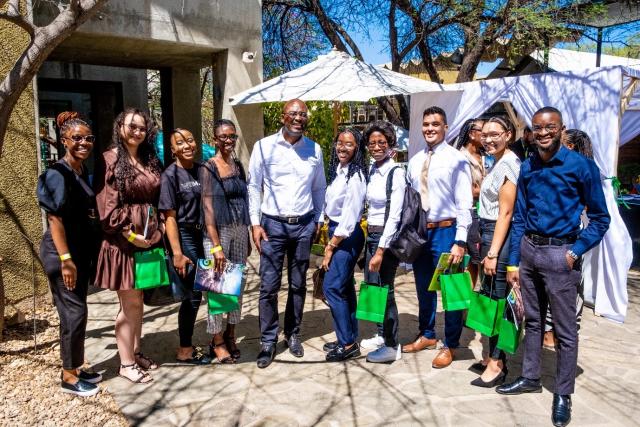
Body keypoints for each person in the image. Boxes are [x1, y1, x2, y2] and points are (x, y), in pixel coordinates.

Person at [497, 107, 610, 427]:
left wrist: (575, 252)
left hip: (562, 255)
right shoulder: (529, 166)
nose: (544, 133)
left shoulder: (581, 166)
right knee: (532, 322)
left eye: (551, 127)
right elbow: (519, 217)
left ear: (561, 130)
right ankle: (530, 376)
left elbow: (601, 219)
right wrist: (515, 262)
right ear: (531, 132)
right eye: (537, 128)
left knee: (563, 330)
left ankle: (563, 393)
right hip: (530, 252)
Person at [248, 99, 326, 368]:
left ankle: (293, 333)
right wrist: (255, 224)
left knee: (297, 285)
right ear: (283, 116)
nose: (298, 118)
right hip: (272, 225)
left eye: (302, 114)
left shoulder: (314, 149)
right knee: (269, 286)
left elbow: (319, 188)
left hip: (304, 225)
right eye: (293, 113)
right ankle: (268, 340)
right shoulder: (264, 147)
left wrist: (318, 219)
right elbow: (253, 186)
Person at [94, 108, 163, 384]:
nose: (137, 132)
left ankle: (135, 351)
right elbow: (106, 208)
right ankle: (125, 364)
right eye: (131, 126)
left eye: (142, 128)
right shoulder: (109, 159)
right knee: (128, 302)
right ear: (119, 126)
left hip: (149, 239)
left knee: (139, 301)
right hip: (123, 242)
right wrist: (131, 235)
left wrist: (155, 231)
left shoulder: (149, 158)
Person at [402, 106, 473, 369]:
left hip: (447, 230)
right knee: (423, 288)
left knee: (451, 291)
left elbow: (465, 203)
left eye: (435, 124)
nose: (430, 128)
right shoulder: (414, 160)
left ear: (445, 127)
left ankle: (451, 344)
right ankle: (427, 334)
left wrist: (461, 240)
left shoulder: (457, 159)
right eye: (426, 124)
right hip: (421, 232)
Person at [37, 112, 102, 396]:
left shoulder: (80, 171)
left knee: (78, 311)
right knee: (73, 314)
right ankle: (68, 376)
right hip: (62, 255)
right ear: (64, 141)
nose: (84, 143)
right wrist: (66, 261)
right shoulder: (57, 173)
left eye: (88, 138)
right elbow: (55, 220)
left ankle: (76, 366)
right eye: (77, 138)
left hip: (78, 253)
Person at [469, 116, 520, 387]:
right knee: (490, 297)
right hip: (489, 232)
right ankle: (491, 356)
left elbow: (506, 213)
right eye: (484, 134)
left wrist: (493, 253)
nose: (488, 139)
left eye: (494, 134)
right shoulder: (497, 162)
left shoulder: (510, 164)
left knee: (497, 301)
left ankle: (499, 363)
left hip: (498, 235)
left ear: (508, 135)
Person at [158, 128, 211, 365]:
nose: (187, 145)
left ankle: (218, 340)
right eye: (180, 142)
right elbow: (169, 217)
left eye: (190, 140)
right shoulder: (170, 176)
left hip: (206, 235)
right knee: (192, 295)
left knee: (212, 289)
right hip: (186, 235)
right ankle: (185, 349)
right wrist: (177, 253)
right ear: (173, 150)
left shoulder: (202, 170)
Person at [201, 119, 251, 363]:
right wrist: (217, 246)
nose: (228, 140)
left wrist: (249, 234)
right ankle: (217, 339)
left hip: (240, 229)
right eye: (224, 137)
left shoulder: (238, 165)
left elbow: (245, 200)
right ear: (215, 139)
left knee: (236, 285)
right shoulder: (208, 166)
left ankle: (232, 333)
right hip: (217, 232)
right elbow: (208, 207)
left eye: (232, 136)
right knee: (218, 286)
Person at [320, 128, 367, 362]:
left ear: (357, 148)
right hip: (336, 231)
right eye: (339, 143)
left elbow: (349, 218)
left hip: (345, 235)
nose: (342, 147)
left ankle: (347, 343)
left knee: (332, 288)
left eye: (349, 144)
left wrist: (330, 246)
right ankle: (347, 336)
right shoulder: (339, 171)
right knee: (345, 288)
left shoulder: (356, 176)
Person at [543, 129, 594, 349]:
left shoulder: (579, 172)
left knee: (565, 287)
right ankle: (554, 330)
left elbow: (594, 211)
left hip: (569, 237)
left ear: (570, 147)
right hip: (565, 235)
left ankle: (555, 332)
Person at [361, 120, 406, 363]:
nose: (376, 146)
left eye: (382, 142)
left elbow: (395, 216)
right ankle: (382, 334)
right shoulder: (372, 170)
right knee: (375, 288)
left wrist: (380, 250)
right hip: (372, 234)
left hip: (385, 240)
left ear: (390, 145)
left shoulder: (395, 172)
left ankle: (392, 346)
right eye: (372, 142)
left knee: (386, 290)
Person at [455, 118, 486, 286]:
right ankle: (465, 307)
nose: (487, 135)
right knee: (471, 262)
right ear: (472, 134)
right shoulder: (460, 157)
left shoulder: (486, 155)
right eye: (483, 131)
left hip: (486, 215)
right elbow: (467, 192)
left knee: (481, 261)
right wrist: (488, 189)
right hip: (470, 214)